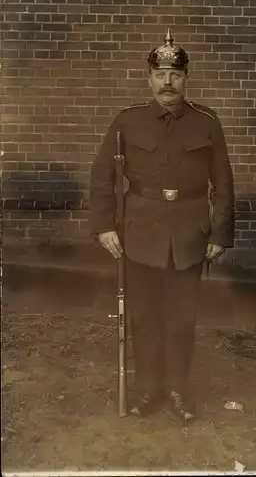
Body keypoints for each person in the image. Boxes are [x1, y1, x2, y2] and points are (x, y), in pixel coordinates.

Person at [89, 29, 235, 424]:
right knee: (144, 316)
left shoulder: (207, 122)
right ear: (148, 79)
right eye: (160, 75)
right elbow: (103, 176)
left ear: (187, 78)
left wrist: (220, 234)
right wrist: (104, 226)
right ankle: (148, 390)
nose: (167, 82)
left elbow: (223, 180)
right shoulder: (128, 121)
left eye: (175, 74)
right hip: (140, 233)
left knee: (182, 318)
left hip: (190, 234)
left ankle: (178, 391)